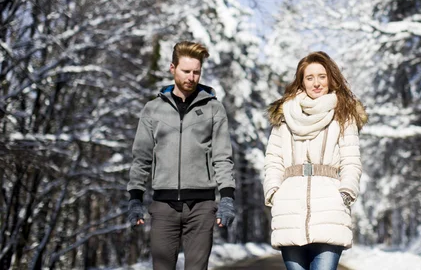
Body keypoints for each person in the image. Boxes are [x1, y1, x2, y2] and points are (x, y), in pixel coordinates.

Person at [127, 41, 236, 270]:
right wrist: (135, 198)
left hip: (202, 207)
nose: (191, 77)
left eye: (197, 72)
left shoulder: (213, 109)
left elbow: (222, 156)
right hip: (164, 206)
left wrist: (227, 197)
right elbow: (142, 156)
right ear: (172, 68)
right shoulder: (153, 109)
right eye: (186, 71)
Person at [263, 51, 367, 270]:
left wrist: (345, 193)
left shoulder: (343, 115)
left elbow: (351, 161)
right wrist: (274, 191)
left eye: (322, 76)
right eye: (310, 77)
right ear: (301, 81)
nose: (316, 83)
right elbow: (273, 159)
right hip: (289, 208)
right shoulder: (284, 116)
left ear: (331, 77)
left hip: (330, 206)